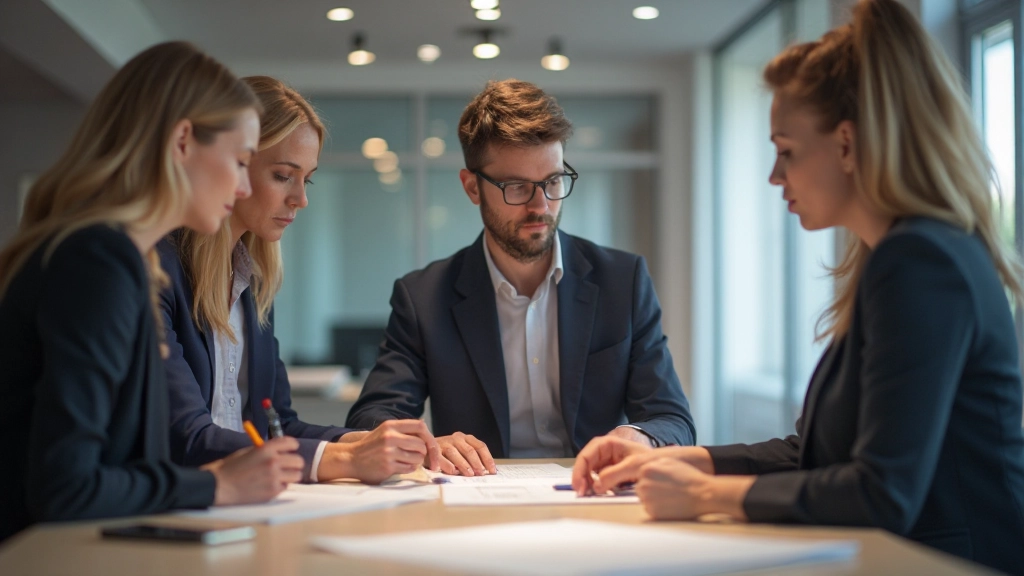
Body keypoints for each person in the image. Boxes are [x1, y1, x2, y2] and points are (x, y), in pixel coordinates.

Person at [571, 1, 1024, 573]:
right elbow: (814, 453)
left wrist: (706, 496)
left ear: (847, 144)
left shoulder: (920, 264)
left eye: (786, 150)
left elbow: (881, 492)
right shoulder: (908, 256)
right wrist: (680, 458)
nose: (774, 175)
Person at [0, 42, 305, 543]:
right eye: (239, 161)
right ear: (183, 142)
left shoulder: (122, 261)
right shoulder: (98, 261)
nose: (245, 189)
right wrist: (215, 484)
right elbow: (65, 486)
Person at [347, 79, 696, 476]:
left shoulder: (623, 282)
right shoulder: (424, 297)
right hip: (476, 501)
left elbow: (673, 420)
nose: (541, 205)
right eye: (516, 187)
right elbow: (371, 418)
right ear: (471, 187)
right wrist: (426, 444)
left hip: (593, 496)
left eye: (552, 181)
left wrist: (641, 436)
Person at [159, 76, 440, 484]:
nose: (300, 199)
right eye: (282, 175)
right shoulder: (159, 270)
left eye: (305, 179)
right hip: (182, 508)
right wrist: (347, 460)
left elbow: (280, 426)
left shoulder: (251, 283)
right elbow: (186, 439)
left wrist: (377, 442)